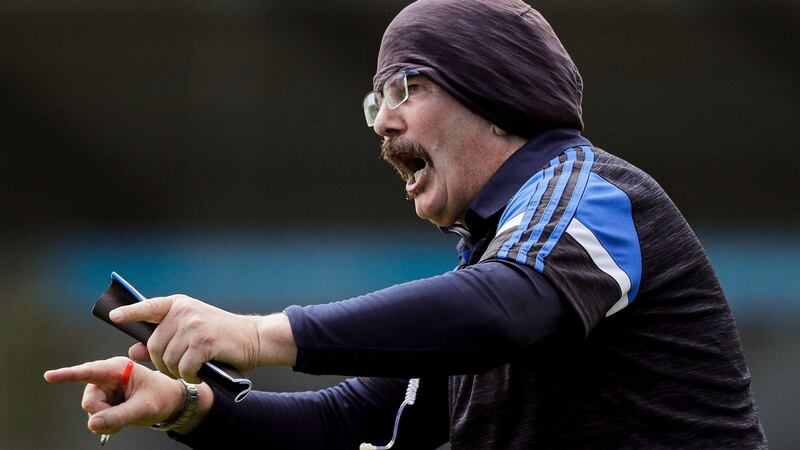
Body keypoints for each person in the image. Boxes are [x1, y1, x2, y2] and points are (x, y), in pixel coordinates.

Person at [44, 0, 767, 448]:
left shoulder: (590, 193)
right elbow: (346, 426)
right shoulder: (491, 260)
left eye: (406, 89)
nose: (383, 122)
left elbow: (509, 307)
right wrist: (185, 407)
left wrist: (259, 334)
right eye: (375, 101)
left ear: (492, 90)